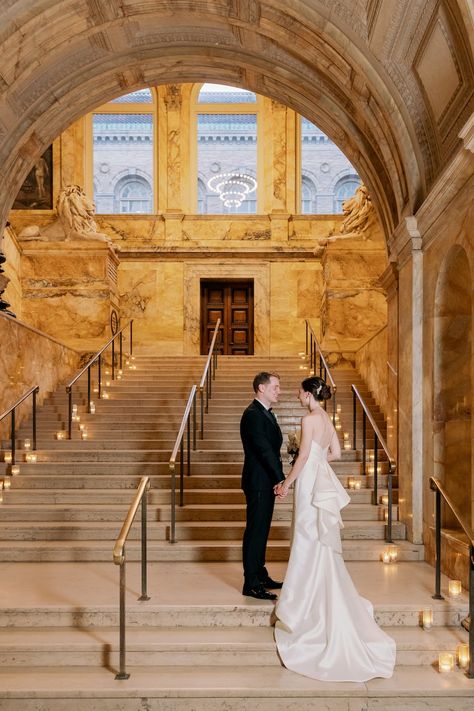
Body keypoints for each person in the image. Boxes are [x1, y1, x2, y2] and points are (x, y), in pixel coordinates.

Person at [274, 376, 396, 682]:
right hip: (321, 477)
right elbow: (337, 454)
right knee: (319, 539)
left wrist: (287, 483)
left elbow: (303, 456)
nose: (297, 396)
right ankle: (316, 591)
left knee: (306, 535)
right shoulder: (326, 419)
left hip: (309, 482)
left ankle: (303, 602)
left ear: (306, 394)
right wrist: (315, 457)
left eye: (299, 392)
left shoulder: (307, 419)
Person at [240, 372, 286, 600]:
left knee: (262, 530)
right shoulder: (253, 415)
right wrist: (281, 478)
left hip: (264, 480)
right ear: (261, 388)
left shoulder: (264, 413)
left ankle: (260, 574)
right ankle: (251, 583)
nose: (279, 391)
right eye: (275, 387)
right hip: (258, 481)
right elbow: (264, 450)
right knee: (256, 531)